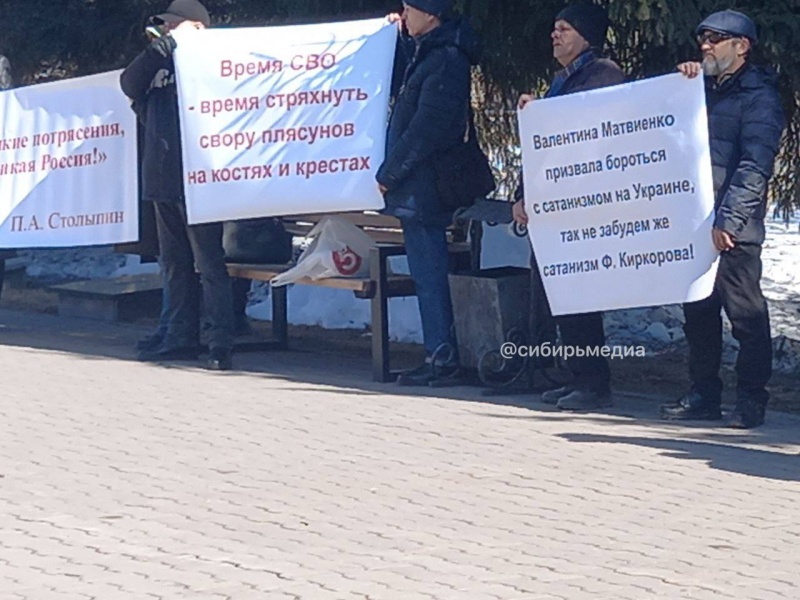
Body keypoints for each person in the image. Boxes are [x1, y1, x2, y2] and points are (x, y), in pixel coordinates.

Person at [660, 10, 784, 429]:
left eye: (715, 39)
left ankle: (750, 400)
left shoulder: (760, 98)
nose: (705, 46)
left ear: (741, 46)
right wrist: (681, 84)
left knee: (746, 318)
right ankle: (704, 395)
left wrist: (729, 221)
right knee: (698, 315)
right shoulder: (700, 89)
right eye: (703, 39)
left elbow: (755, 165)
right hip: (695, 222)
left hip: (733, 230)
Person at [513, 1, 624, 410]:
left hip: (584, 204)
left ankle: (594, 383)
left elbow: (581, 131)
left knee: (579, 295)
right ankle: (577, 375)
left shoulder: (603, 74)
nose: (554, 35)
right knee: (560, 295)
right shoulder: (564, 79)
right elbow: (543, 146)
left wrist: (540, 112)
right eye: (554, 28)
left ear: (586, 36)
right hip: (554, 205)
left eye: (564, 29)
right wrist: (523, 192)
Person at [120, 0, 235, 371]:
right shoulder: (160, 59)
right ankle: (177, 333)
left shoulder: (212, 60)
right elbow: (129, 84)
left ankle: (219, 341)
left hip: (199, 180)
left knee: (208, 263)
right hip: (163, 176)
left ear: (197, 27)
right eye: (166, 26)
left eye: (174, 25)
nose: (167, 30)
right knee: (173, 263)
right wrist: (162, 49)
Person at [376, 0, 480, 386]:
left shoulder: (447, 60)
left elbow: (425, 130)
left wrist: (389, 174)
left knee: (430, 273)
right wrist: (398, 41)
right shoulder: (429, 53)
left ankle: (442, 356)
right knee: (425, 272)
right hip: (417, 186)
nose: (404, 15)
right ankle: (438, 352)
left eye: (409, 9)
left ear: (431, 14)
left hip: (426, 187)